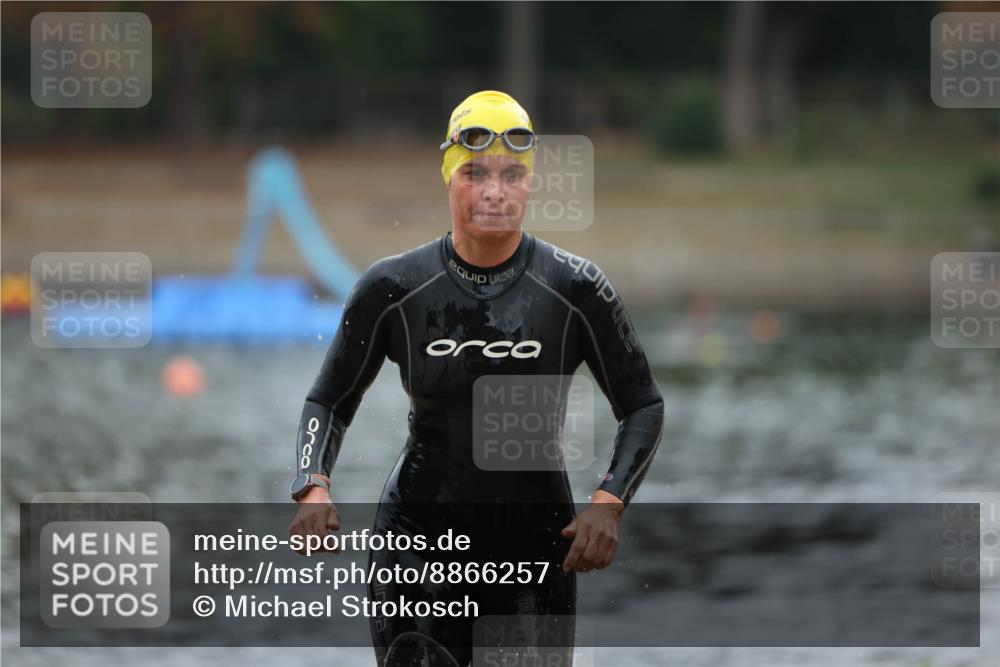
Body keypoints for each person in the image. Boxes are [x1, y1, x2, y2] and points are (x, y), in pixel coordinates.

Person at [288, 90, 663, 666]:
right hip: (414, 545)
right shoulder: (393, 288)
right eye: (474, 173)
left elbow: (643, 406)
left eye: (512, 174)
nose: (494, 190)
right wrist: (314, 484)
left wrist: (609, 501)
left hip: (534, 555)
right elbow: (328, 400)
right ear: (448, 178)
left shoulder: (576, 289)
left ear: (530, 183)